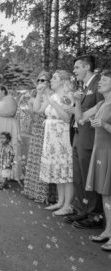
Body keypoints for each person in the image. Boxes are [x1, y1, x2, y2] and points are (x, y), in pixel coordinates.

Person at [65, 55, 104, 229]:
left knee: (89, 174)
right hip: (77, 133)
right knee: (78, 174)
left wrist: (80, 113)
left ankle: (94, 214)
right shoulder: (84, 86)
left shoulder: (99, 84)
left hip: (89, 135)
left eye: (77, 67)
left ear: (87, 67)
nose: (74, 71)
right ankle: (81, 209)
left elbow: (101, 107)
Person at [39, 70, 74, 216]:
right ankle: (60, 202)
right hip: (50, 136)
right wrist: (42, 95)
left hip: (62, 136)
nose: (51, 80)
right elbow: (39, 110)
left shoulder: (67, 96)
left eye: (54, 78)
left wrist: (53, 103)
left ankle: (68, 205)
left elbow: (66, 118)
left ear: (62, 81)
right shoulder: (52, 95)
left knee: (65, 170)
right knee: (57, 169)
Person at [85, 70, 111, 251]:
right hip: (100, 152)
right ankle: (108, 230)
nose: (100, 82)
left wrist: (104, 124)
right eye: (100, 79)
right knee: (104, 193)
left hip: (110, 152)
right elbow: (81, 116)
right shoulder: (102, 103)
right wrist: (77, 102)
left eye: (104, 79)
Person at [22, 72, 52, 203]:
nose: (40, 82)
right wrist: (38, 95)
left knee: (42, 161)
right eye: (39, 80)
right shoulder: (40, 95)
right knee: (34, 160)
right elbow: (35, 112)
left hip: (47, 131)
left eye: (43, 80)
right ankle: (31, 190)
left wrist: (40, 97)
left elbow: (39, 111)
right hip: (37, 129)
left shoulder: (51, 96)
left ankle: (42, 194)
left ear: (49, 82)